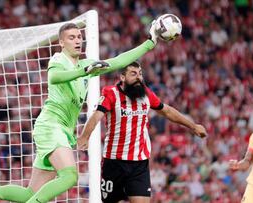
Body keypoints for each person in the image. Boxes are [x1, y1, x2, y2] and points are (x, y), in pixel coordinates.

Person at [0, 20, 163, 203]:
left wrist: (150, 43)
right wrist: (84, 72)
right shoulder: (59, 59)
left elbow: (119, 61)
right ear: (61, 42)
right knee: (70, 176)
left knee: (30, 194)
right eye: (72, 37)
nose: (78, 41)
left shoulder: (86, 64)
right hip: (50, 126)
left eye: (79, 37)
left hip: (62, 131)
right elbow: (55, 78)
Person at [77, 61, 208, 203]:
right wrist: (84, 136)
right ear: (122, 77)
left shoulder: (145, 94)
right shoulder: (111, 94)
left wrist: (193, 126)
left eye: (140, 74)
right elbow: (96, 116)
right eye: (133, 74)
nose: (139, 77)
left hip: (139, 164)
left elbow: (167, 111)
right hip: (114, 162)